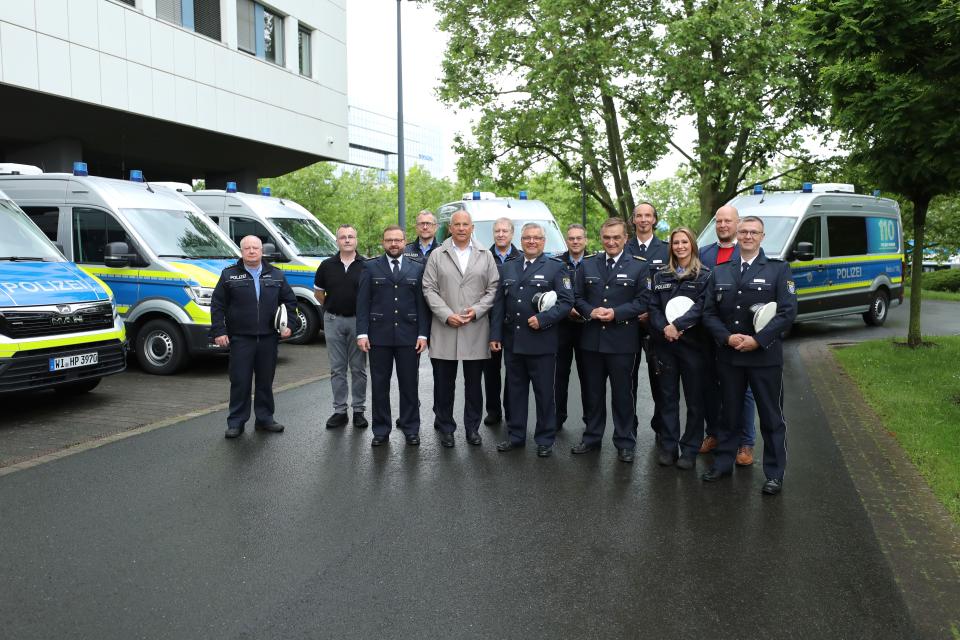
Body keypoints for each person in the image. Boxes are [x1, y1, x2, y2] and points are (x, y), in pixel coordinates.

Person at [701, 215, 797, 495]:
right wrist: (726, 337)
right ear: (737, 235)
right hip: (730, 356)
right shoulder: (719, 271)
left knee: (771, 417)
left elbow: (787, 312)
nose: (748, 236)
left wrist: (758, 340)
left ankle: (774, 474)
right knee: (728, 414)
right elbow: (709, 312)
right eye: (744, 231)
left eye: (754, 232)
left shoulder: (779, 270)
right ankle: (722, 463)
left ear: (762, 237)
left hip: (764, 357)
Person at [489, 223, 573, 457]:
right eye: (528, 238)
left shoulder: (556, 268)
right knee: (515, 391)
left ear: (544, 242)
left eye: (537, 238)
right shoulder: (509, 267)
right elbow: (499, 304)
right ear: (521, 240)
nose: (532, 242)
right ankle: (516, 436)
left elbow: (566, 302)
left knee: (544, 393)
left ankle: (545, 439)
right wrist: (495, 335)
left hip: (541, 341)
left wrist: (544, 319)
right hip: (514, 341)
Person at [571, 218, 651, 462]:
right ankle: (592, 437)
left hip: (622, 341)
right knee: (592, 393)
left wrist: (616, 313)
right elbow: (576, 296)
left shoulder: (639, 266)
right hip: (592, 340)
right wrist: (590, 311)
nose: (611, 242)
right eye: (607, 237)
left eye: (616, 237)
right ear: (601, 238)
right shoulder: (587, 264)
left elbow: (643, 300)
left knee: (622, 394)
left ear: (625, 238)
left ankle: (625, 441)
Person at [422, 209, 500, 447]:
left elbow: (494, 288)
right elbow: (429, 288)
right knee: (444, 384)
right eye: (457, 224)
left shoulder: (486, 255)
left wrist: (476, 310)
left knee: (474, 385)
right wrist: (446, 315)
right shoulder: (437, 255)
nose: (462, 228)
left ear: (472, 228)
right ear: (450, 228)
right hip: (445, 328)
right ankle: (446, 427)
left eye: (466, 224)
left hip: (475, 328)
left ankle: (472, 429)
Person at [211, 235, 299, 438]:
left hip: (268, 338)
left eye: (255, 248)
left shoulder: (276, 275)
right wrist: (219, 331)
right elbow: (217, 305)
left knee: (265, 381)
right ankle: (236, 422)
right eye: (247, 248)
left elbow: (290, 302)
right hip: (241, 338)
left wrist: (290, 326)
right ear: (241, 251)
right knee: (240, 381)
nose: (252, 251)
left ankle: (265, 419)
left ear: (262, 251)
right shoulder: (229, 276)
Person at [356, 225, 430, 447]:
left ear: (405, 241)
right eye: (389, 240)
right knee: (379, 386)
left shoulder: (417, 268)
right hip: (379, 336)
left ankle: (411, 428)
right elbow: (362, 304)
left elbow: (422, 305)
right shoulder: (370, 267)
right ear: (383, 242)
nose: (394, 244)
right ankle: (381, 430)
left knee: (409, 385)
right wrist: (362, 333)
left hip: (409, 336)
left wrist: (423, 335)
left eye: (398, 240)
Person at [647, 227, 712, 469]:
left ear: (692, 245)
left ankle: (690, 449)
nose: (680, 246)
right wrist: (665, 327)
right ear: (671, 246)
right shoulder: (660, 275)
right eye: (676, 243)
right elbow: (652, 306)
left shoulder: (705, 275)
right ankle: (668, 445)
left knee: (694, 400)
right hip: (665, 344)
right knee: (667, 398)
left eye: (684, 242)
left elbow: (702, 307)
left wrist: (678, 325)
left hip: (694, 346)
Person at [699, 204, 757, 466]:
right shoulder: (704, 254)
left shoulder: (745, 250)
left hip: (738, 335)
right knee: (709, 387)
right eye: (719, 221)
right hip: (709, 332)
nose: (723, 225)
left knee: (742, 391)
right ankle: (714, 434)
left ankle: (745, 443)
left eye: (728, 221)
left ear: (737, 223)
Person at [314, 224, 368, 430]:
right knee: (337, 369)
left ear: (356, 240)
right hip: (333, 320)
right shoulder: (326, 265)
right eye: (343, 237)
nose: (347, 240)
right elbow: (318, 293)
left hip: (358, 322)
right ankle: (339, 411)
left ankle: (359, 411)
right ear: (337, 241)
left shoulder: (366, 265)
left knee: (359, 369)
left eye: (351, 236)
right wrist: (330, 307)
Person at [624, 202, 670, 443]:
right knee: (627, 380)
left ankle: (662, 428)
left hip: (656, 324)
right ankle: (629, 428)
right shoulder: (623, 246)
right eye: (639, 215)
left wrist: (654, 315)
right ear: (633, 220)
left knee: (660, 378)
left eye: (648, 215)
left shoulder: (667, 249)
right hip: (629, 323)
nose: (643, 219)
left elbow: (671, 287)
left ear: (654, 220)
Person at [482, 216, 521, 426]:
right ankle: (493, 410)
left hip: (514, 323)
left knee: (513, 370)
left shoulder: (521, 257)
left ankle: (511, 410)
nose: (501, 234)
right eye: (497, 231)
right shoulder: (484, 257)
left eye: (505, 231)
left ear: (512, 234)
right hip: (489, 322)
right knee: (491, 370)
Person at [555, 223, 590, 432]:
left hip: (587, 327)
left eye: (579, 238)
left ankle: (589, 421)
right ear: (566, 241)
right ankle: (557, 418)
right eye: (571, 238)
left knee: (588, 377)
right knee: (559, 375)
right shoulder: (556, 263)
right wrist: (566, 310)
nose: (575, 241)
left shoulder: (595, 263)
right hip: (562, 327)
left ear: (585, 240)